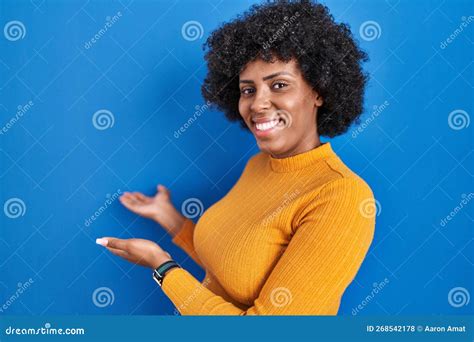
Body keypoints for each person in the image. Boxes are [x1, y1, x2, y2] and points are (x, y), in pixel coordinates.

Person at [96, 0, 376, 315]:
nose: (258, 104)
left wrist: (161, 265)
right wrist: (169, 218)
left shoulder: (342, 197)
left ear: (319, 92)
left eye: (279, 85)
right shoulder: (258, 165)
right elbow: (232, 266)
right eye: (248, 90)